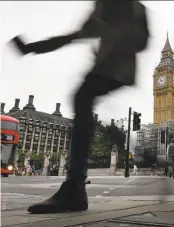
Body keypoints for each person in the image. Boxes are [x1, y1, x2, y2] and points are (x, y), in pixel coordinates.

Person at [11, 1, 149, 214]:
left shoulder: (129, 7)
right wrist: (35, 47)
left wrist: (117, 34)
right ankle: (75, 185)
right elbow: (76, 35)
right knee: (82, 101)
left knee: (82, 99)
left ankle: (75, 186)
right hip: (109, 67)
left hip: (116, 67)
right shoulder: (107, 6)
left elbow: (141, 39)